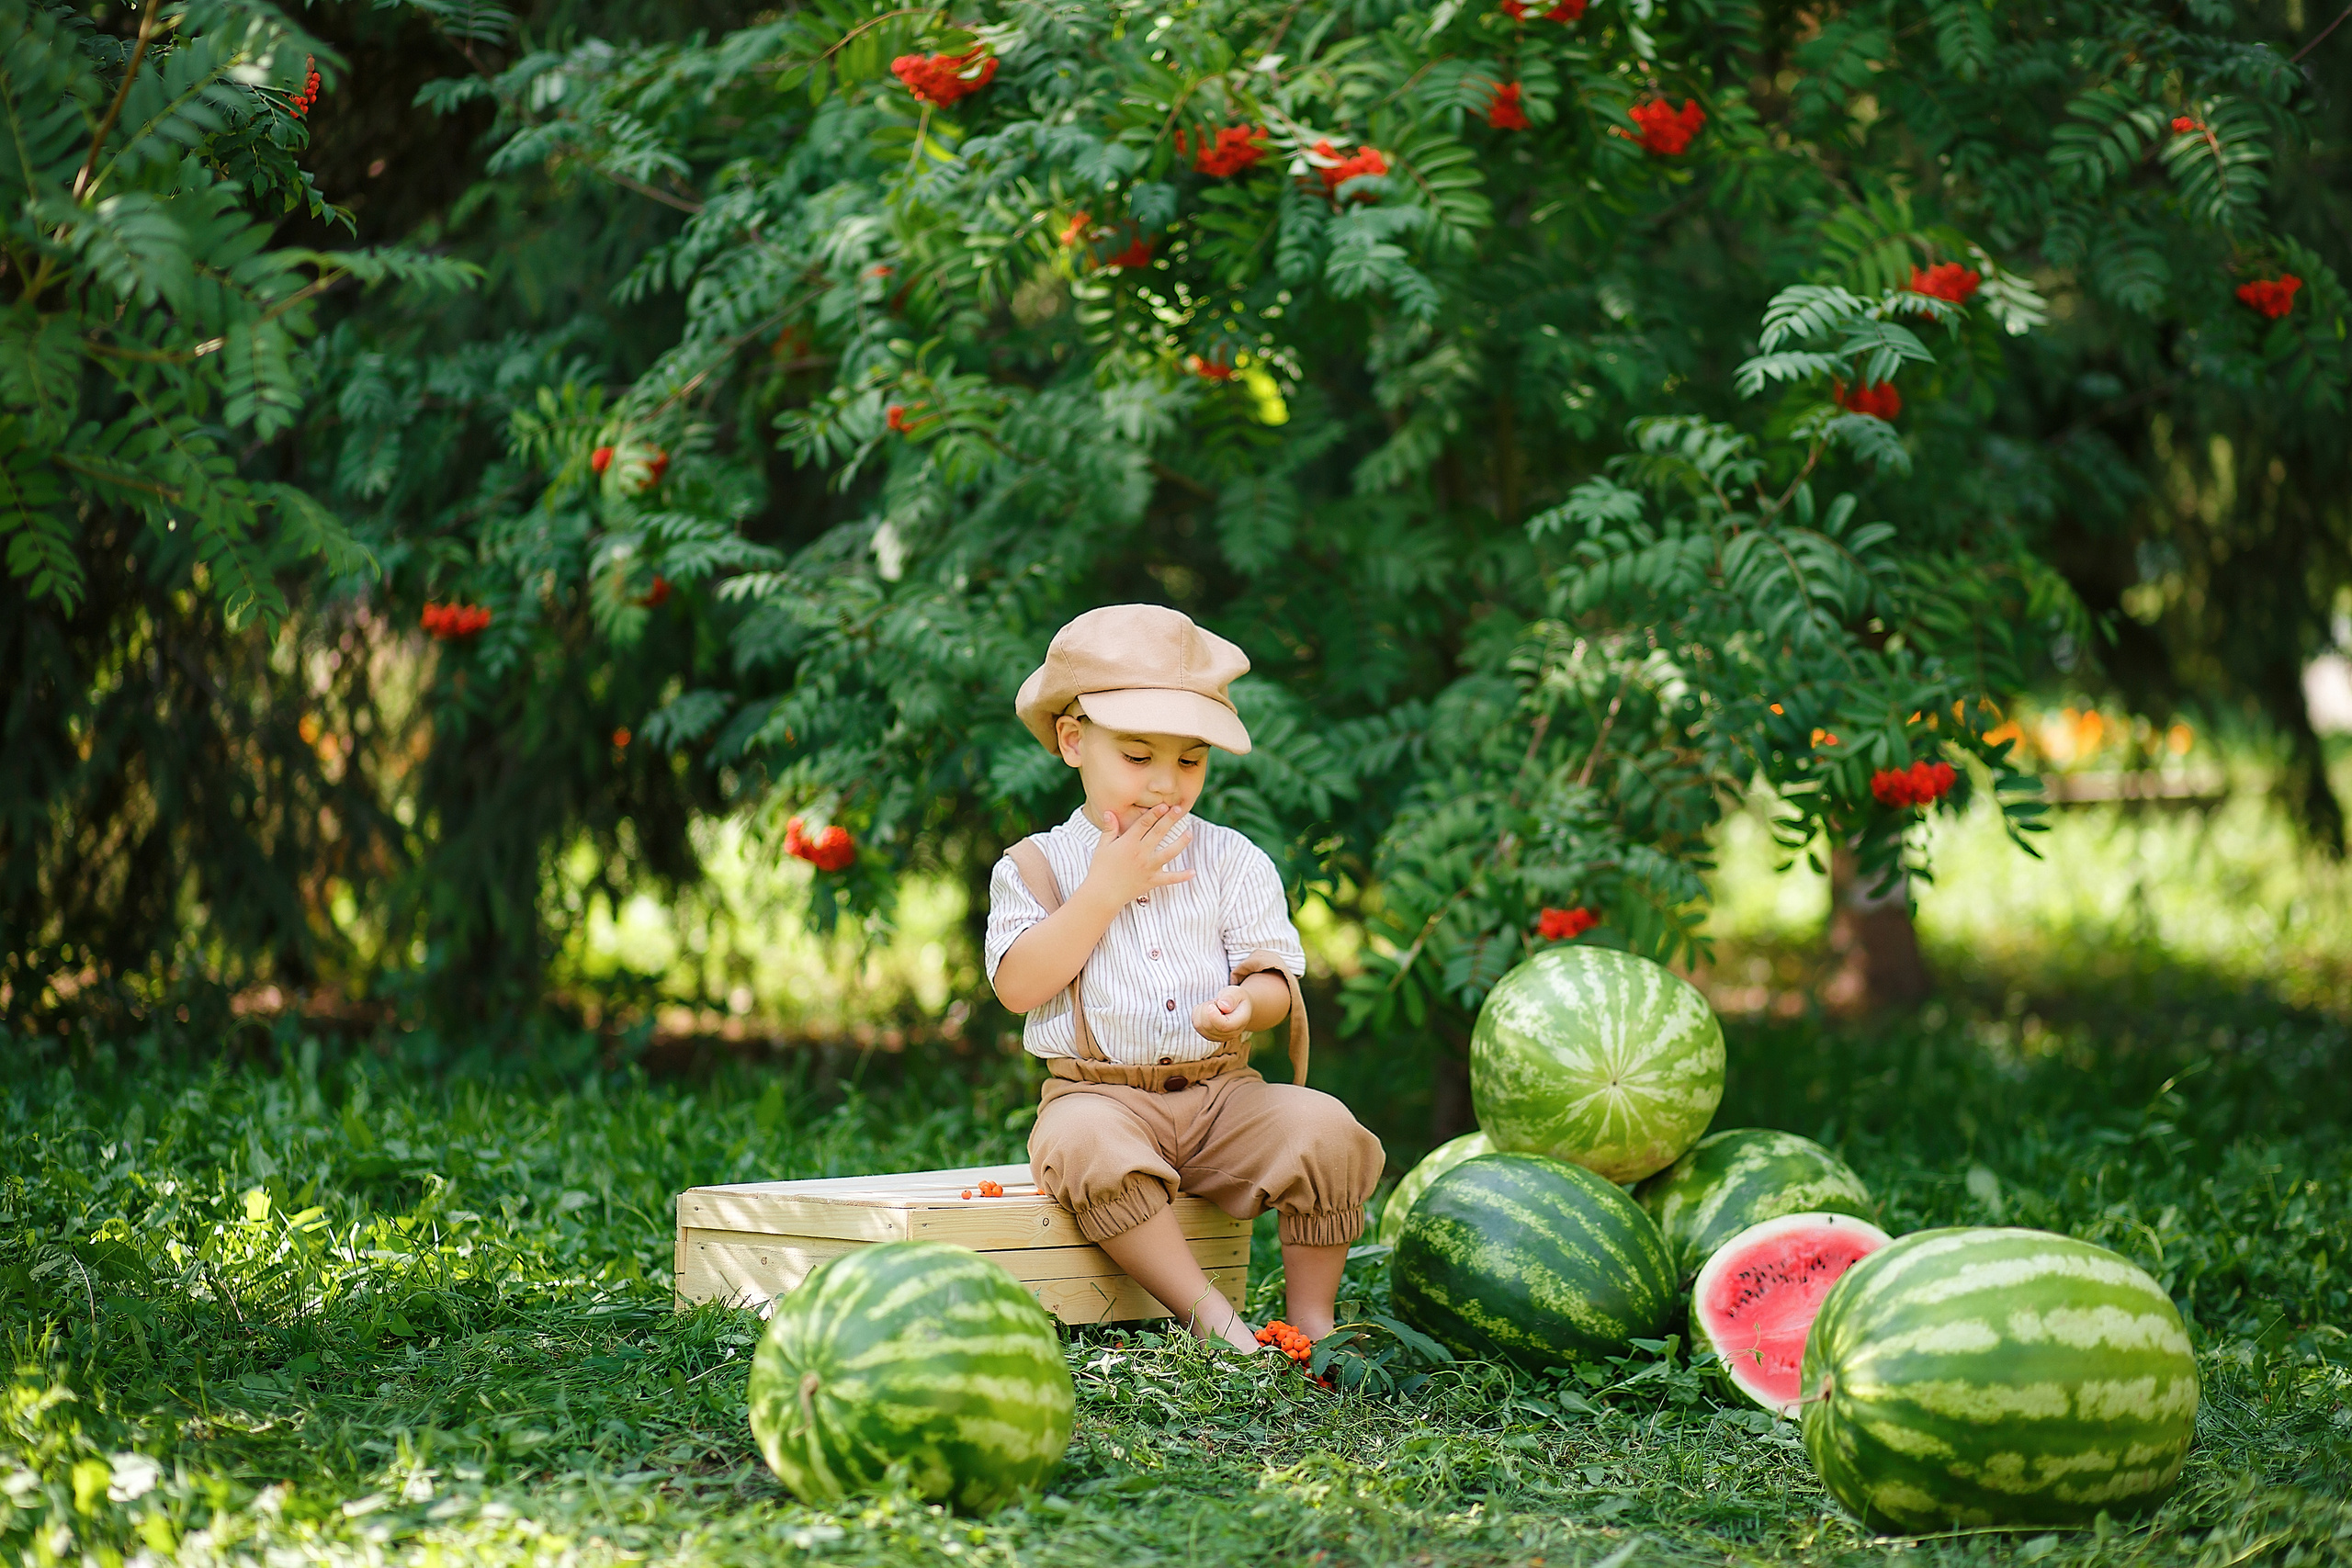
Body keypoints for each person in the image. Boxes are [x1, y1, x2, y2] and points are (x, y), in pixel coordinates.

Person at [985, 604, 1385, 1353]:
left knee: (1327, 1128)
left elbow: (1273, 979)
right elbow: (1018, 986)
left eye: (1191, 760)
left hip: (1221, 1096)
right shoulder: (1037, 866)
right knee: (1083, 1144)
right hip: (1099, 1096)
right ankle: (1213, 1320)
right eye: (1138, 757)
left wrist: (1245, 1006)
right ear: (1073, 740)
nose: (1166, 784)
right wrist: (1103, 891)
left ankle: (1313, 1320)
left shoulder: (1231, 859)